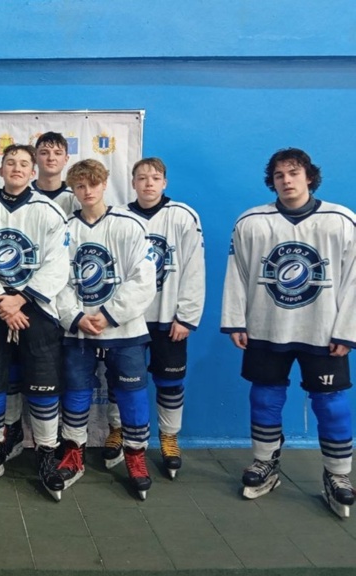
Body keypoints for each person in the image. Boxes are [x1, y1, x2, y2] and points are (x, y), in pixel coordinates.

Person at [221, 147, 356, 519]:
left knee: (331, 403)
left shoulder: (341, 220)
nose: (286, 180)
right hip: (267, 326)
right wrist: (236, 320)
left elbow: (354, 279)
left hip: (323, 329)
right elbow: (238, 273)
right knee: (265, 396)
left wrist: (348, 329)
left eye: (294, 173)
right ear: (272, 181)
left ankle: (338, 474)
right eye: (279, 175)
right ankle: (265, 462)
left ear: (309, 176)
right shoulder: (251, 221)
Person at [0, 144, 69, 499]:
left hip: (35, 309)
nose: (17, 168)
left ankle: (46, 454)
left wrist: (21, 299)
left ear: (33, 171)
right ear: (1, 169)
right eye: (11, 162)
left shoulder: (49, 211)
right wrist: (2, 302)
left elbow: (57, 263)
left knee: (43, 383)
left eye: (24, 163)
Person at [56, 159, 156, 499]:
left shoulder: (129, 224)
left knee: (131, 393)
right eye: (80, 186)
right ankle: (74, 452)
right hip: (79, 330)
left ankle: (135, 456)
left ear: (104, 184)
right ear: (73, 189)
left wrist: (110, 314)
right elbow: (58, 279)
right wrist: (74, 316)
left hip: (124, 330)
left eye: (93, 184)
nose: (87, 191)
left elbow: (143, 278)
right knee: (76, 391)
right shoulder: (65, 229)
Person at [103, 158, 205, 478]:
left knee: (169, 382)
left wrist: (186, 316)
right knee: (120, 380)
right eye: (142, 178)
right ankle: (117, 429)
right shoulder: (117, 216)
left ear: (165, 183)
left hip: (167, 317)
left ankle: (169, 436)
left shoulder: (183, 216)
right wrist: (111, 313)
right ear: (132, 182)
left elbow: (194, 268)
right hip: (127, 318)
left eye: (155, 178)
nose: (149, 183)